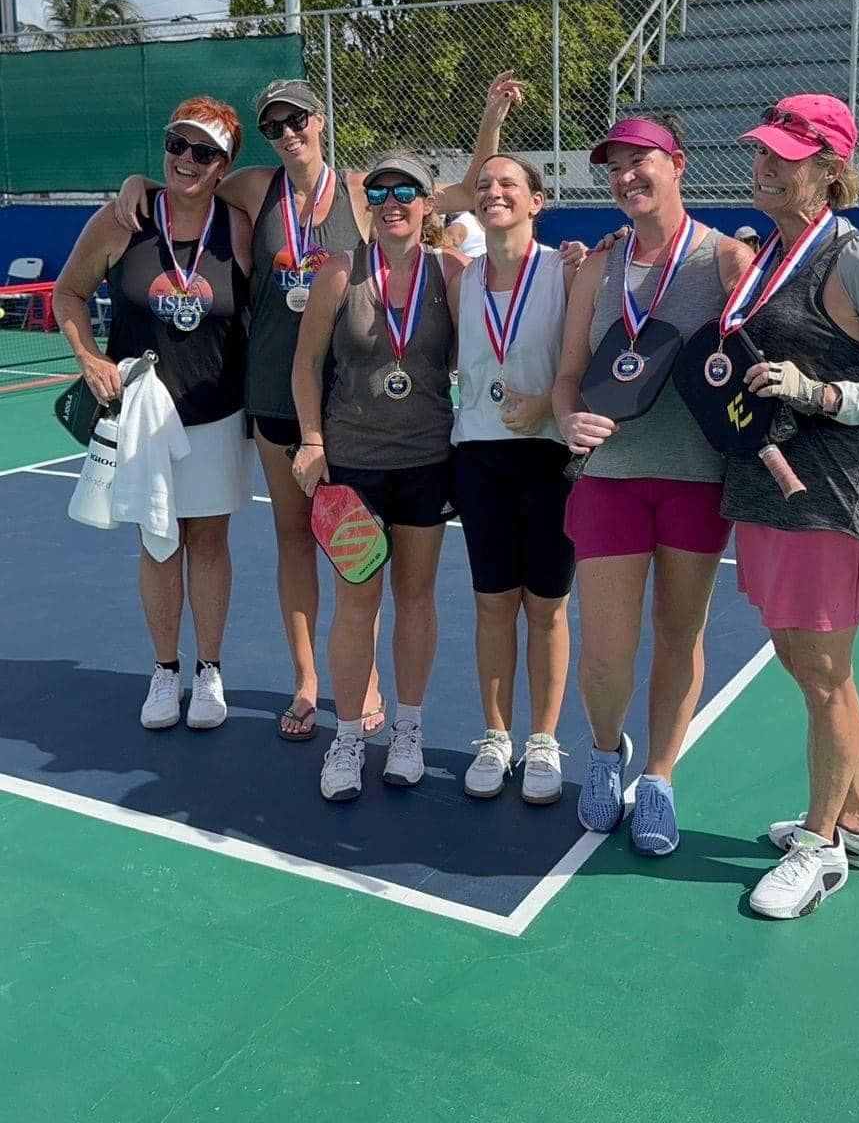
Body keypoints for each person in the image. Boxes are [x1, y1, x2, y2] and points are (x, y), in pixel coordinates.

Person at [114, 72, 520, 744]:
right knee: (295, 538)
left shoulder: (367, 191)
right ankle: (308, 681)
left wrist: (491, 117)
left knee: (360, 552)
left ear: (320, 120)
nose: (287, 134)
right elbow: (187, 186)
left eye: (297, 120)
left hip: (355, 410)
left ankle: (364, 687)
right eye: (273, 127)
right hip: (277, 401)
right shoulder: (252, 188)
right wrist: (138, 186)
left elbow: (463, 187)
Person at [719, 95, 859, 920]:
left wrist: (825, 391)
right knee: (805, 667)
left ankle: (822, 849)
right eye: (761, 152)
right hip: (765, 487)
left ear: (829, 170)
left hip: (827, 493)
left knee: (826, 678)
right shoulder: (768, 254)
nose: (764, 165)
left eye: (784, 157)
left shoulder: (858, 261)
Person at [552, 112, 751, 854]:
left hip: (698, 478)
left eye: (643, 161)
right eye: (615, 166)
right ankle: (607, 755)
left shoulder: (727, 260)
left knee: (679, 634)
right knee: (605, 648)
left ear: (680, 164)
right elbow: (569, 376)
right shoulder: (598, 269)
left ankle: (661, 776)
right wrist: (569, 421)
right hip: (610, 477)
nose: (627, 176)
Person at [54, 97, 254, 730]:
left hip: (218, 413)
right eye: (177, 145)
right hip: (142, 415)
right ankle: (166, 672)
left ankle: (210, 670)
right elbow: (69, 292)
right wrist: (88, 357)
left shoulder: (241, 224)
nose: (185, 161)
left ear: (224, 166)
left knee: (210, 540)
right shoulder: (123, 220)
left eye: (203, 152)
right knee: (159, 542)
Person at [291, 152, 467, 801]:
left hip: (427, 461)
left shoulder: (450, 272)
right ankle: (346, 736)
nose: (393, 200)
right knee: (357, 603)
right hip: (355, 468)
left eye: (408, 190)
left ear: (428, 204)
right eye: (380, 190)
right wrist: (311, 440)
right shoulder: (339, 273)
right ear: (367, 203)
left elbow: (513, 282)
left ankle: (408, 730)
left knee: (416, 597)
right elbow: (306, 366)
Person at [447, 155, 578, 806]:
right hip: (480, 459)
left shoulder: (571, 269)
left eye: (509, 184)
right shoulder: (458, 276)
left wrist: (551, 404)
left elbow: (592, 364)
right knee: (493, 603)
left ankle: (544, 740)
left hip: (551, 460)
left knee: (547, 608)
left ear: (536, 201)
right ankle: (497, 736)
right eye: (485, 184)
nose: (494, 191)